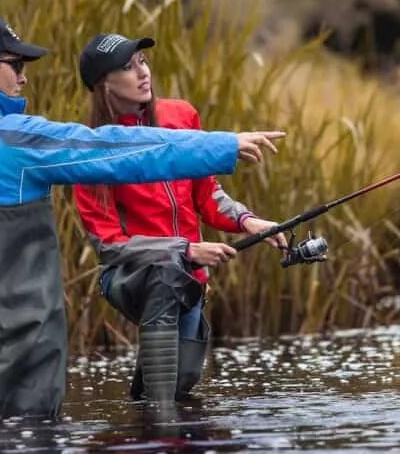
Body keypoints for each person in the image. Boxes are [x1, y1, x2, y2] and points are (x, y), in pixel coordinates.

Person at [0, 15, 284, 418]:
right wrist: (223, 146)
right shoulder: (15, 137)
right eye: (16, 66)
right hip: (23, 368)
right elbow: (114, 148)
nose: (24, 78)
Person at [73, 32, 287, 402]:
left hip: (189, 273)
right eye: (127, 67)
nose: (143, 72)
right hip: (130, 277)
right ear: (103, 85)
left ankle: (143, 427)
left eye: (142, 61)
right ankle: (157, 423)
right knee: (165, 278)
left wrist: (248, 221)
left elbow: (208, 195)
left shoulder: (181, 115)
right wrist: (185, 249)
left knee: (181, 380)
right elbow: (110, 246)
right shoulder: (90, 151)